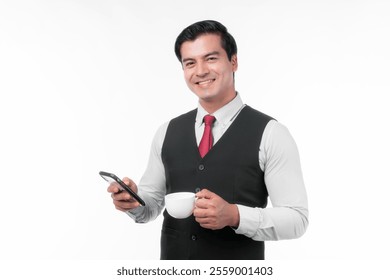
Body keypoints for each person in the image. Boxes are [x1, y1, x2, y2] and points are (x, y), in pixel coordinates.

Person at [107, 20, 308, 260]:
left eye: (211, 58)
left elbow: (297, 219)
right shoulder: (166, 131)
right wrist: (134, 201)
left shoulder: (271, 133)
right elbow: (150, 206)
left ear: (233, 61)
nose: (200, 71)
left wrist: (235, 215)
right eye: (190, 63)